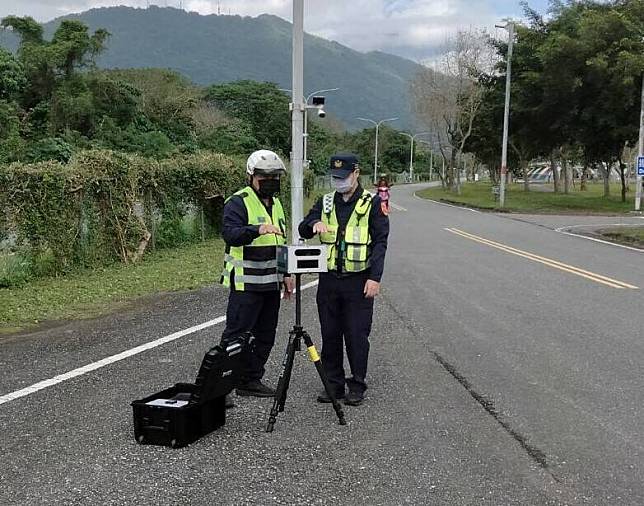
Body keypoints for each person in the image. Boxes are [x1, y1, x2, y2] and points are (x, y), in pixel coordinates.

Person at [298, 153, 389, 406]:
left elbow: (380, 243)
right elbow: (303, 228)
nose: (339, 182)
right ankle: (334, 385)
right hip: (328, 281)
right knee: (330, 334)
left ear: (356, 174)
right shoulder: (325, 202)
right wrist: (314, 223)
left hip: (358, 281)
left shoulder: (372, 203)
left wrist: (375, 278)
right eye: (335, 177)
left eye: (344, 177)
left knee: (357, 334)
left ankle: (357, 385)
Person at [220, 150, 294, 403]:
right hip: (245, 282)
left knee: (266, 334)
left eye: (275, 176)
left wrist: (287, 274)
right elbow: (230, 234)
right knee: (236, 334)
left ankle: (250, 379)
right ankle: (222, 387)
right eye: (265, 176)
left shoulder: (276, 203)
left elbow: (280, 241)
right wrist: (257, 229)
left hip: (270, 282)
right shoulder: (238, 202)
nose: (270, 181)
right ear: (252, 176)